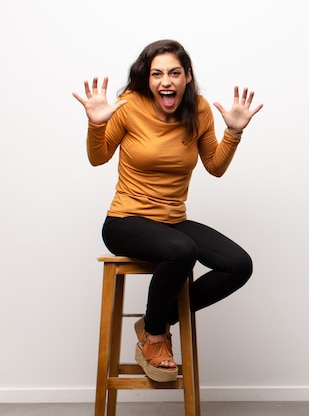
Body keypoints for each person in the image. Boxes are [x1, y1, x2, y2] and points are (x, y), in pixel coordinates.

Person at [73, 39, 263, 382]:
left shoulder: (200, 110)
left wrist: (233, 132)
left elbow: (215, 166)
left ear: (187, 77)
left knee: (238, 265)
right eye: (157, 73)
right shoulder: (128, 106)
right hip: (125, 221)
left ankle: (153, 321)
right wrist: (96, 123)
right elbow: (97, 157)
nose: (166, 81)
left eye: (174, 73)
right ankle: (155, 339)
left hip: (173, 222)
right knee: (182, 251)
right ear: (147, 79)